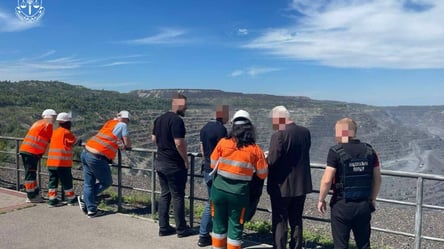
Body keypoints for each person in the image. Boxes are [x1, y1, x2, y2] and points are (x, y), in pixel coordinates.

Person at [317, 118, 382, 249]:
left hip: (342, 205)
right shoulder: (370, 151)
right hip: (364, 205)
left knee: (341, 245)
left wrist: (321, 199)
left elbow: (327, 180)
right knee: (364, 244)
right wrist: (372, 200)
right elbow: (377, 179)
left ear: (344, 132)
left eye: (336, 132)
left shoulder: (335, 151)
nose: (335, 135)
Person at [210, 110, 268, 249]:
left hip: (218, 190)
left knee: (218, 225)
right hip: (239, 194)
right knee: (235, 227)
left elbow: (213, 163)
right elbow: (262, 174)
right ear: (250, 128)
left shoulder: (223, 143)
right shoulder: (255, 149)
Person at [266, 105, 313, 249]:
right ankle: (296, 246)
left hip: (281, 187)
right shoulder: (305, 132)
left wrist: (266, 156)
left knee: (280, 220)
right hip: (301, 185)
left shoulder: (279, 135)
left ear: (278, 118)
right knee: (296, 220)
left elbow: (272, 161)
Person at [151, 93, 194, 237]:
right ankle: (181, 229)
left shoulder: (159, 119)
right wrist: (185, 160)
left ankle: (163, 227)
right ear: (180, 104)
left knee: (165, 195)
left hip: (160, 162)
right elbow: (179, 143)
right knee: (178, 196)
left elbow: (153, 139)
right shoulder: (177, 121)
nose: (186, 108)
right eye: (185, 105)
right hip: (173, 164)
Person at [78, 110, 132, 218]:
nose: (127, 123)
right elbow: (127, 143)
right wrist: (125, 145)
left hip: (85, 152)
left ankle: (91, 210)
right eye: (128, 120)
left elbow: (110, 137)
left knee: (89, 183)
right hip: (96, 157)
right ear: (126, 119)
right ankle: (86, 198)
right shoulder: (122, 125)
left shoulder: (110, 123)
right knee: (107, 182)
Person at [197, 105, 229, 247]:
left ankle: (208, 233)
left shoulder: (204, 128)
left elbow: (202, 149)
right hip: (217, 170)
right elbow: (224, 151)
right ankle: (204, 235)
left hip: (206, 167)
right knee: (213, 203)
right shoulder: (221, 129)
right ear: (222, 115)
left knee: (212, 201)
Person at [20, 109, 57, 203]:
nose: (55, 119)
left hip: (27, 150)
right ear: (49, 116)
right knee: (30, 174)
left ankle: (35, 193)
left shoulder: (38, 123)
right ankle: (31, 196)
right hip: (32, 152)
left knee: (31, 173)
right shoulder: (47, 124)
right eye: (54, 117)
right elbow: (52, 138)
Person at [46, 112, 78, 207]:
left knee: (53, 181)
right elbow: (75, 142)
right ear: (67, 123)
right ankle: (71, 200)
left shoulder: (55, 132)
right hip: (62, 163)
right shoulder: (66, 132)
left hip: (51, 163)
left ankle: (52, 200)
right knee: (67, 181)